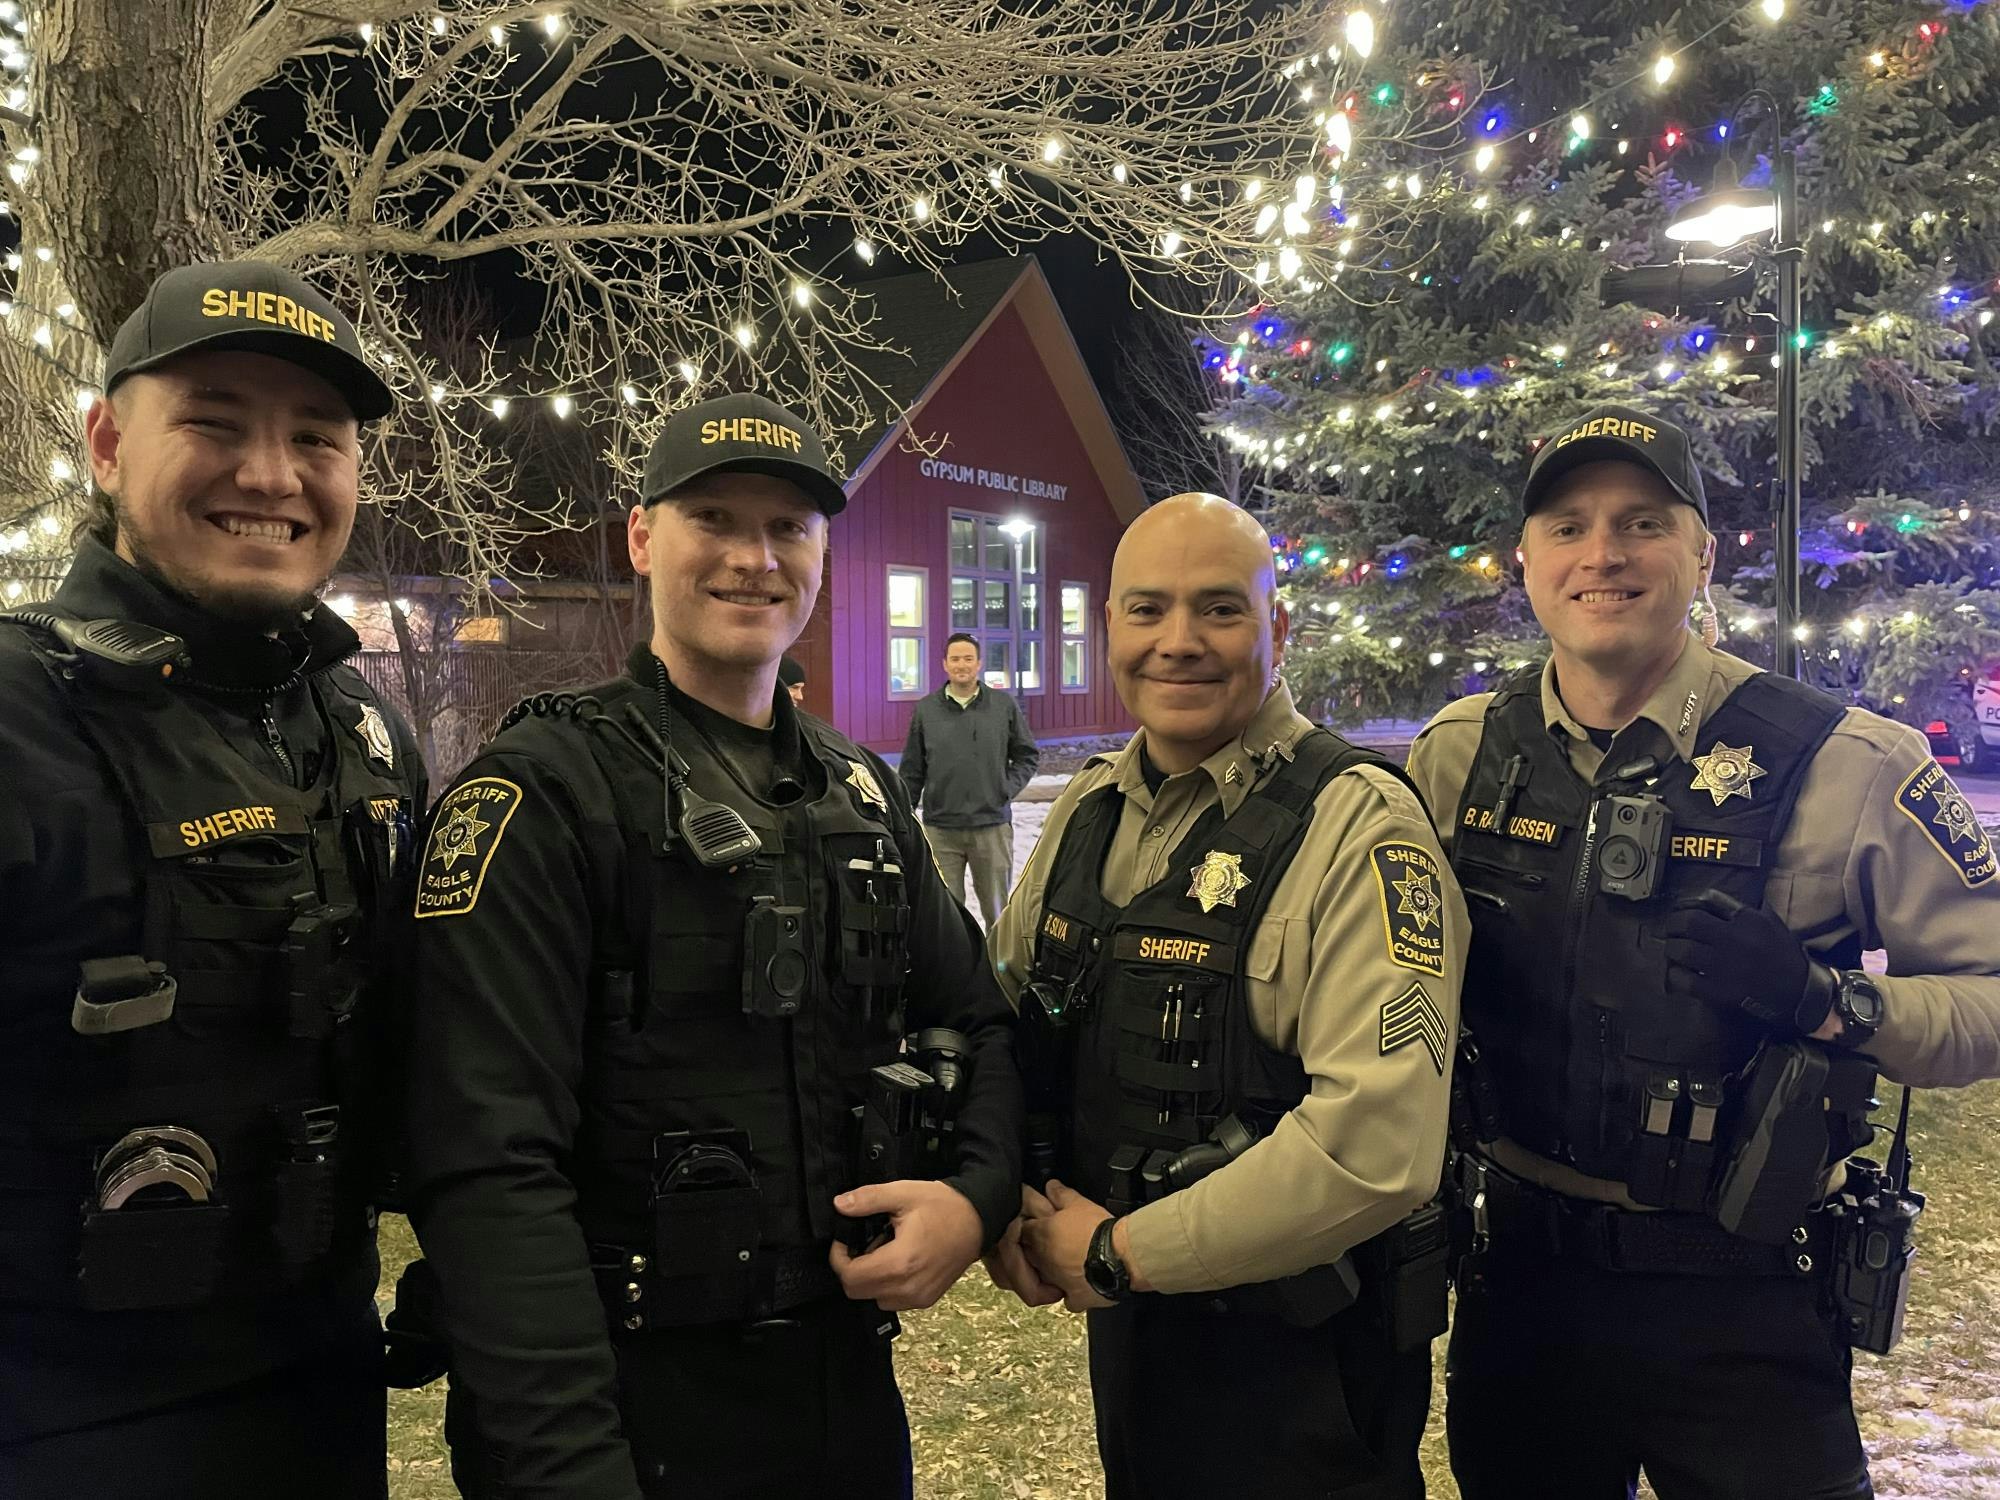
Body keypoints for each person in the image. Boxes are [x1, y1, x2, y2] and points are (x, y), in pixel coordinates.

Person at [405, 392, 1024, 1499]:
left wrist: (973, 1196)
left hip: (837, 1396)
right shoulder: (545, 793)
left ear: (821, 553)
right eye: (715, 519)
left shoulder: (859, 794)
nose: (754, 558)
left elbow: (975, 1016)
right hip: (620, 1412)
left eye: (788, 527)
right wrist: (570, 1469)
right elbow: (489, 1170)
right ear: (643, 539)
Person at [1406, 404, 2000, 1500]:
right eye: (1568, 526)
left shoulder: (1849, 764)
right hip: (1523, 1290)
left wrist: (1827, 1003)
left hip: (1744, 1303)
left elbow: (1988, 997)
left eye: (1640, 523)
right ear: (1525, 562)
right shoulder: (1459, 757)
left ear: (1698, 554)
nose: (1602, 555)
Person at [0, 261, 424, 1498]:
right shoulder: (16, 719)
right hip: (57, 1435)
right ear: (105, 443)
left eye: (316, 437)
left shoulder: (368, 736)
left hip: (323, 1402)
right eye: (215, 421)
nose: (271, 475)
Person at [986, 492, 1466, 1500]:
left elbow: (1375, 1147)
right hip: (1136, 1332)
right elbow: (1004, 1017)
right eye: (1146, 610)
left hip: (1305, 1367)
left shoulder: (1359, 828)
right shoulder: (1087, 813)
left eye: (1218, 609)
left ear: (1277, 628)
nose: (1177, 644)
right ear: (1106, 627)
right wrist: (1002, 1200)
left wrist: (1118, 1253)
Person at [900, 631, 1040, 925]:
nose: (961, 665)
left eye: (968, 659)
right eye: (955, 659)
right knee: (946, 914)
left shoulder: (1003, 706)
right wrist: (904, 812)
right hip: (941, 829)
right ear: (944, 664)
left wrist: (1005, 788)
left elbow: (1027, 755)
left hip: (991, 827)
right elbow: (912, 770)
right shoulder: (926, 710)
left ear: (978, 664)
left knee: (997, 911)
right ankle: (956, 970)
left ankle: (997, 969)